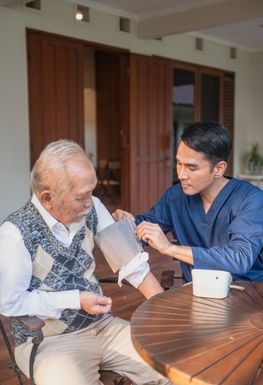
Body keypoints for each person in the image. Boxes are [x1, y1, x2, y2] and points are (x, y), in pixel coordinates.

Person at [0, 140, 171, 385]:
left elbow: (130, 262)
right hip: (49, 342)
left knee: (172, 368)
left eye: (92, 192)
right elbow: (10, 303)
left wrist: (167, 309)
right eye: (82, 196)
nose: (91, 203)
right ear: (48, 197)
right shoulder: (15, 232)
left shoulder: (92, 208)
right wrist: (75, 299)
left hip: (104, 327)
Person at [113, 121, 263, 283]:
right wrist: (127, 227)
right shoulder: (175, 197)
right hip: (196, 291)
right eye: (179, 163)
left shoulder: (250, 199)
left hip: (247, 293)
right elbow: (141, 233)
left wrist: (170, 248)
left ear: (219, 169)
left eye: (192, 168)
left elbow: (239, 259)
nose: (181, 175)